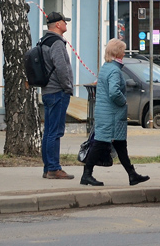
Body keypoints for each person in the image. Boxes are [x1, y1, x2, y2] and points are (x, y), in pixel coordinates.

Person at [80, 39, 149, 187]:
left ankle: (132, 174)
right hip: (111, 115)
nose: (124, 53)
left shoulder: (107, 67)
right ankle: (86, 174)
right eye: (123, 50)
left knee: (120, 145)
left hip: (106, 113)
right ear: (118, 52)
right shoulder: (115, 70)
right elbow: (113, 92)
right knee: (99, 143)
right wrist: (123, 101)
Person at [39, 12, 75, 179]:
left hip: (46, 91)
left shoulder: (43, 41)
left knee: (48, 131)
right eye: (64, 22)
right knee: (55, 131)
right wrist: (68, 87)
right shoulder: (57, 43)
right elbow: (61, 67)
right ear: (58, 25)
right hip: (57, 92)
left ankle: (48, 168)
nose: (66, 24)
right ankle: (54, 168)